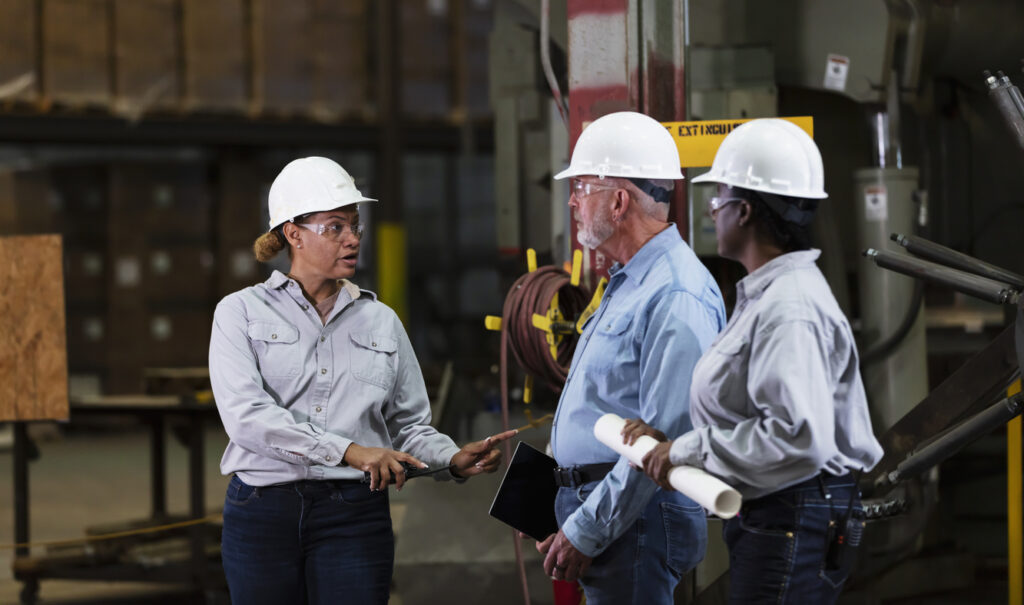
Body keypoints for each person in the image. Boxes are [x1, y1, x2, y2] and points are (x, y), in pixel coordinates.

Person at [209, 156, 516, 605]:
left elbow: (408, 427)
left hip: (353, 515)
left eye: (355, 226)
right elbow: (246, 418)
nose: (352, 239)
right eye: (334, 227)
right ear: (293, 234)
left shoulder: (381, 322)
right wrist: (350, 451)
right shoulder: (240, 313)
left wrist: (450, 458)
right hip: (263, 511)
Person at [623, 118, 884, 604]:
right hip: (780, 513)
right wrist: (675, 442)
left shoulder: (789, 307)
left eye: (718, 195)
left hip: (794, 516)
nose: (711, 207)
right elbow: (758, 416)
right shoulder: (769, 295)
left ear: (743, 212)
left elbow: (797, 437)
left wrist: (685, 451)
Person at [535, 111, 727, 604]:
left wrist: (588, 529)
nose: (574, 202)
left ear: (618, 201)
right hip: (609, 513)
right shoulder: (628, 283)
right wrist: (555, 508)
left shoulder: (676, 293)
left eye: (582, 187)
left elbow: (660, 439)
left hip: (635, 524)